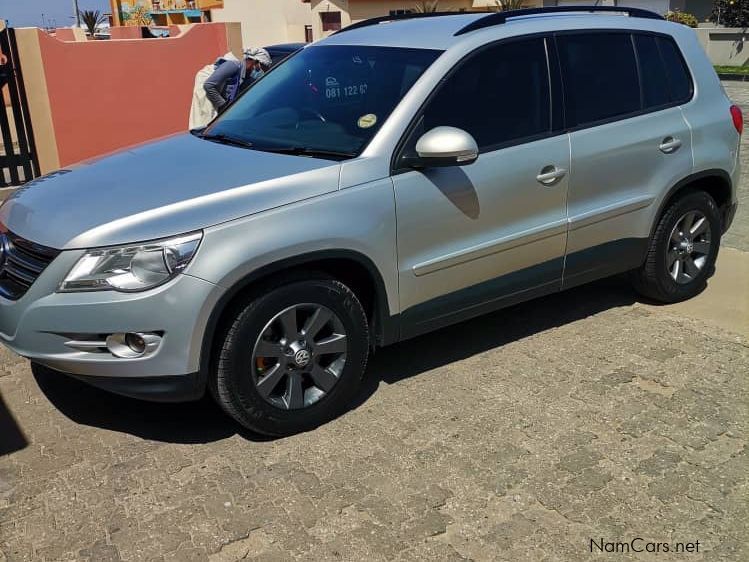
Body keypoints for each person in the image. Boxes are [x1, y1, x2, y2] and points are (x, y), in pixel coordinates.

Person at [188, 48, 272, 130]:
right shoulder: (233, 66)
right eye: (262, 68)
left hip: (214, 90)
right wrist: (223, 105)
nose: (262, 72)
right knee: (206, 121)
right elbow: (209, 85)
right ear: (254, 62)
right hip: (206, 87)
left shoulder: (246, 77)